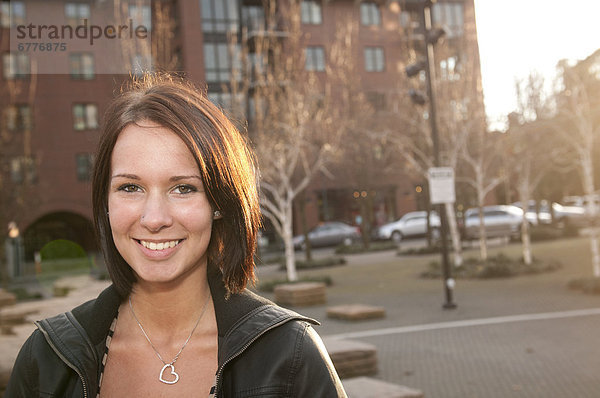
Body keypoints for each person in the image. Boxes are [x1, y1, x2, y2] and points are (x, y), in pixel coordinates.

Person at [6, 73, 347, 397]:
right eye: (130, 187)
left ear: (220, 201)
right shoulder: (46, 359)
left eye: (183, 188)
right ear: (104, 202)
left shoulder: (290, 355)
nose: (154, 219)